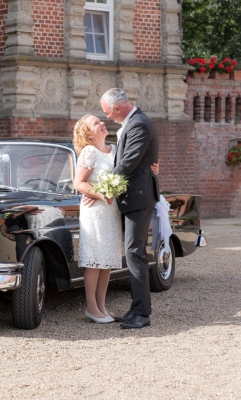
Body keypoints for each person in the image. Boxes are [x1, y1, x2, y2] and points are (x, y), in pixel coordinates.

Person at [100, 88, 160, 329]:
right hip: (134, 197)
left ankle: (142, 314)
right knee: (134, 253)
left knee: (135, 253)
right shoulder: (134, 122)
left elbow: (127, 163)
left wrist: (103, 187)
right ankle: (136, 308)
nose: (107, 118)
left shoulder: (138, 124)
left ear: (116, 108)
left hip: (138, 197)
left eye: (107, 112)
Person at [73, 114, 122, 324]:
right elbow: (79, 183)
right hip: (95, 212)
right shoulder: (89, 152)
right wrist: (101, 193)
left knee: (107, 260)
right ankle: (91, 308)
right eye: (96, 123)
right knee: (95, 259)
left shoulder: (114, 150)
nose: (102, 123)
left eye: (100, 121)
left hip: (112, 212)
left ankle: (102, 306)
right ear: (89, 135)